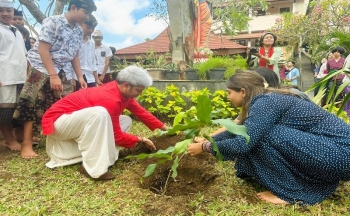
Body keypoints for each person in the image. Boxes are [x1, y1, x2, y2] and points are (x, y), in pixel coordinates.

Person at [188, 70, 350, 205]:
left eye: (229, 93)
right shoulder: (265, 100)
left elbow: (243, 142)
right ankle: (307, 182)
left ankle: (291, 193)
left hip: (341, 155)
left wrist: (205, 147)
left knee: (258, 137)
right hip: (335, 155)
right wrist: (210, 142)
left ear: (243, 91)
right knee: (256, 133)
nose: (228, 97)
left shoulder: (266, 101)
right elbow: (238, 129)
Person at [42, 66, 168, 180]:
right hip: (57, 123)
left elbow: (141, 112)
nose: (140, 94)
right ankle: (94, 170)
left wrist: (166, 129)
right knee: (100, 113)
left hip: (72, 121)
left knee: (125, 120)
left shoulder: (122, 92)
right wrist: (141, 139)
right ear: (126, 85)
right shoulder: (110, 99)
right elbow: (116, 136)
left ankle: (105, 156)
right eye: (139, 90)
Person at [13, 0, 97, 159]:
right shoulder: (53, 22)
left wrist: (79, 77)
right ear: (74, 8)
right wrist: (52, 75)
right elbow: (43, 49)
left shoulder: (79, 32)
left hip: (63, 69)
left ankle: (59, 139)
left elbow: (75, 55)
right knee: (32, 102)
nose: (87, 17)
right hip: (40, 67)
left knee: (64, 104)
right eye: (85, 13)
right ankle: (26, 143)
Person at [0, 0, 27, 151]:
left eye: (8, 10)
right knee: (5, 110)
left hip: (19, 75)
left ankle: (18, 135)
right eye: (1, 10)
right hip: (5, 76)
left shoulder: (16, 30)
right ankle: (9, 140)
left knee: (19, 108)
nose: (5, 13)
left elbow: (23, 54)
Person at [73, 14, 101, 90]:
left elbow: (93, 63)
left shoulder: (91, 43)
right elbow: (71, 60)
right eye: (88, 27)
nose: (90, 30)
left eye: (92, 28)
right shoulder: (74, 40)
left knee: (92, 99)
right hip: (76, 76)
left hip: (90, 77)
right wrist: (75, 78)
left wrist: (97, 79)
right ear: (80, 24)